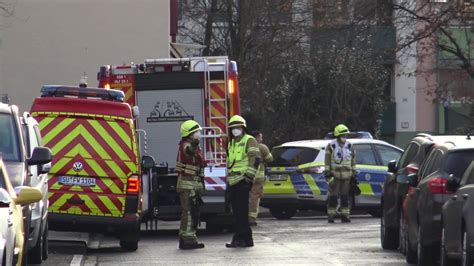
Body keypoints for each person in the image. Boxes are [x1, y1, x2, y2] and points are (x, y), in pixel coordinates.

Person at [226, 115, 261, 248]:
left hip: (243, 181)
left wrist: (248, 178)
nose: (235, 129)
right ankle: (247, 239)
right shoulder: (232, 143)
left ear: (243, 128)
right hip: (234, 181)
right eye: (233, 128)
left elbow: (255, 159)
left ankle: (239, 238)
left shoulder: (249, 140)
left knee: (240, 212)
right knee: (238, 212)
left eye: (238, 127)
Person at [176, 120, 206, 249]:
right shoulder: (186, 145)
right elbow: (189, 152)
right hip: (188, 186)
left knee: (190, 212)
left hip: (192, 185)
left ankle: (186, 237)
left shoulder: (191, 145)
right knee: (189, 213)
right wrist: (195, 143)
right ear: (190, 134)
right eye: (196, 132)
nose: (199, 133)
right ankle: (188, 240)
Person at [324, 124, 357, 223]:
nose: (344, 137)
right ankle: (331, 216)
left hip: (347, 177)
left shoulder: (350, 146)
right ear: (337, 136)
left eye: (346, 135)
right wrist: (328, 173)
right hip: (335, 176)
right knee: (333, 197)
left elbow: (353, 161)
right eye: (342, 135)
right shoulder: (331, 146)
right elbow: (327, 160)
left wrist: (354, 173)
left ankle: (345, 216)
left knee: (345, 198)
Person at [249, 131, 273, 226]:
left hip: (246, 175)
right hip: (258, 176)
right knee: (254, 198)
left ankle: (244, 216)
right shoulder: (262, 147)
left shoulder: (246, 146)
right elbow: (270, 159)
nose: (262, 139)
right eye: (261, 137)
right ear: (257, 137)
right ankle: (251, 218)